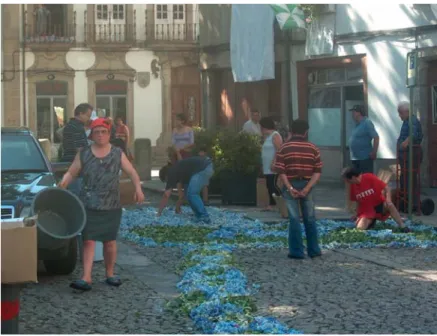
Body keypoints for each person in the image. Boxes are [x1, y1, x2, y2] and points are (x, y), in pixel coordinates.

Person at [59, 118, 145, 291]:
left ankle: (110, 274)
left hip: (111, 203)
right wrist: (62, 185)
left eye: (103, 132)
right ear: (91, 135)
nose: (100, 135)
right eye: (96, 132)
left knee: (110, 242)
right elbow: (71, 172)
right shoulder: (83, 153)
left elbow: (132, 172)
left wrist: (138, 189)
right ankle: (86, 277)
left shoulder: (117, 153)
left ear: (108, 134)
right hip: (89, 203)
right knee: (88, 241)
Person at [274, 119, 322, 259]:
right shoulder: (313, 148)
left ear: (291, 131)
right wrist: (307, 188)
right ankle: (314, 250)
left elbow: (281, 171)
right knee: (310, 218)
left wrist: (289, 187)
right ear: (306, 132)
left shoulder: (284, 148)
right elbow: (317, 171)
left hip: (290, 184)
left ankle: (296, 251)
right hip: (308, 184)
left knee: (294, 219)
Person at [342, 167, 409, 232]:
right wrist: (356, 215)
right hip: (366, 211)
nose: (347, 182)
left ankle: (402, 226)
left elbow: (387, 188)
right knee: (360, 229)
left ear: (353, 177)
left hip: (379, 205)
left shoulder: (369, 177)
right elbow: (357, 201)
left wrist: (388, 199)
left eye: (348, 180)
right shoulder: (351, 186)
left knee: (390, 205)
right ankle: (370, 223)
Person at [158, 153, 213, 223]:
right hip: (205, 166)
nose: (168, 183)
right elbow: (182, 195)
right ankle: (198, 215)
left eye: (166, 181)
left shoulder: (171, 172)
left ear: (166, 176)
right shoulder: (179, 172)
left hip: (204, 167)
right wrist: (178, 206)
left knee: (192, 193)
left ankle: (204, 216)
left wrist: (159, 213)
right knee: (189, 194)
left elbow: (166, 195)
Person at [397, 101, 423, 214]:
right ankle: (406, 203)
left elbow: (414, 134)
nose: (399, 116)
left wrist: (405, 142)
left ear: (407, 112)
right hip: (405, 154)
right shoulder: (406, 121)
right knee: (404, 178)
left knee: (410, 178)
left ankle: (413, 204)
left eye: (401, 113)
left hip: (411, 153)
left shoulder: (412, 120)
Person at [61, 103, 93, 195]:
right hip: (75, 164)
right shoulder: (77, 127)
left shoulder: (70, 125)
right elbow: (80, 149)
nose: (89, 118)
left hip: (69, 161)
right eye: (88, 115)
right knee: (77, 193)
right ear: (80, 113)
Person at [348, 105, 379, 173]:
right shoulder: (357, 124)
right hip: (356, 158)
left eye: (354, 112)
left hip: (364, 159)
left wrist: (374, 152)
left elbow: (376, 137)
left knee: (365, 179)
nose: (352, 114)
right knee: (357, 180)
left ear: (359, 113)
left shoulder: (367, 123)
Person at [260, 117, 283, 211]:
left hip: (272, 165)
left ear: (265, 127)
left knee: (272, 184)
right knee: (269, 185)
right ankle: (271, 204)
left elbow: (279, 150)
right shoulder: (268, 137)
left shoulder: (275, 135)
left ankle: (281, 200)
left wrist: (274, 162)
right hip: (267, 166)